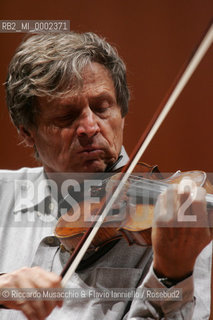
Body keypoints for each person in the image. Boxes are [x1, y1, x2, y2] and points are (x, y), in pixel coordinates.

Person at [0, 32, 212, 320]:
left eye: (102, 108)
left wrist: (170, 275)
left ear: (122, 111)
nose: (90, 127)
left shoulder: (181, 221)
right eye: (66, 116)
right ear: (27, 133)